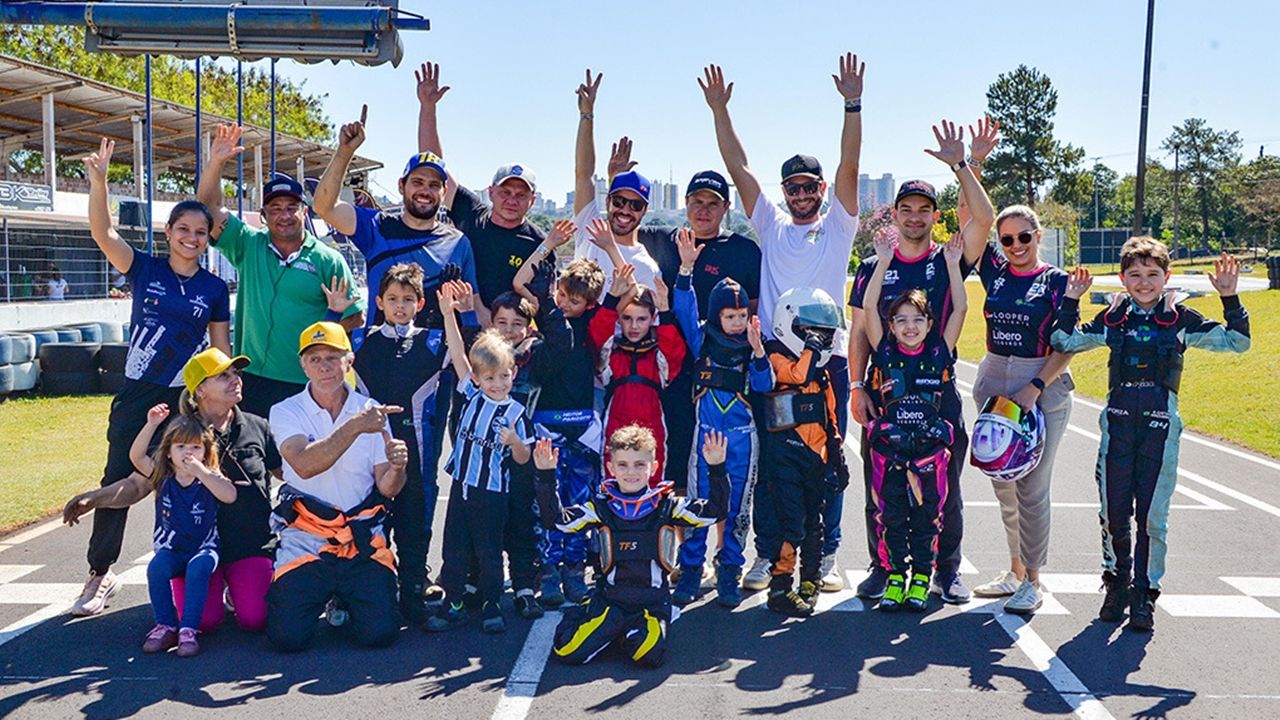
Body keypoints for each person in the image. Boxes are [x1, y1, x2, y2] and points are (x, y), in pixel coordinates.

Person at [701, 56, 862, 593]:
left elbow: (849, 165)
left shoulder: (838, 226)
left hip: (827, 361)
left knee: (827, 457)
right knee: (773, 463)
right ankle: (768, 555)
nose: (799, 194)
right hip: (771, 359)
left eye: (807, 186)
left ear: (819, 188)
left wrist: (851, 105)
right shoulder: (770, 224)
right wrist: (721, 111)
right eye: (791, 187)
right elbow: (739, 167)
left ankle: (828, 552)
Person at [1052, 240, 1250, 631]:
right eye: (1135, 275)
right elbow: (1064, 341)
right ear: (1123, 279)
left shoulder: (1179, 319)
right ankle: (1117, 583)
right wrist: (1072, 300)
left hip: (1161, 430)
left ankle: (1144, 593)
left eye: (1152, 275)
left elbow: (1238, 341)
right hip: (1118, 429)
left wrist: (1229, 297)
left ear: (1166, 278)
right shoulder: (1114, 319)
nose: (1144, 283)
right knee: (1113, 513)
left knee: (1152, 517)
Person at [72, 138, 232, 618]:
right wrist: (99, 182)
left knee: (196, 478)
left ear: (208, 237)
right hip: (139, 395)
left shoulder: (214, 287)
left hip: (187, 399)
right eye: (183, 228)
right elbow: (102, 232)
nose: (192, 237)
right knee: (119, 476)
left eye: (200, 231)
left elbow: (220, 349)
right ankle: (102, 573)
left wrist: (221, 401)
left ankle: (204, 569)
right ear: (168, 232)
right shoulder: (144, 268)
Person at [847, 120, 995, 605]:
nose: (914, 217)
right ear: (894, 214)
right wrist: (856, 385)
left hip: (937, 395)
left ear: (934, 216)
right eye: (906, 209)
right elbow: (860, 329)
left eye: (923, 210)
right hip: (887, 393)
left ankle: (946, 571)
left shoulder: (949, 257)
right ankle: (882, 567)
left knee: (943, 488)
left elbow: (985, 218)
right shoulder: (873, 266)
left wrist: (963, 166)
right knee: (881, 487)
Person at [65, 348, 281, 635]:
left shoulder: (258, 426)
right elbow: (138, 483)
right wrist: (94, 498)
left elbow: (289, 473)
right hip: (195, 548)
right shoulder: (178, 436)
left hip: (250, 544)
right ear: (200, 390)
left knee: (256, 619)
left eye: (236, 373)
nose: (236, 380)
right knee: (203, 622)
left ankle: (236, 588)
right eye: (224, 376)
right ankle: (211, 591)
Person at [198, 124, 365, 418]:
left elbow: (356, 314)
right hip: (253, 377)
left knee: (300, 459)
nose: (284, 215)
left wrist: (324, 328)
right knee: (255, 457)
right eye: (275, 209)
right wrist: (216, 163)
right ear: (263, 216)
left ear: (305, 212)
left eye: (292, 207)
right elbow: (206, 210)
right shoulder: (247, 244)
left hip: (303, 382)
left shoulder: (328, 259)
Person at [266, 321, 409, 651]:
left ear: (349, 360)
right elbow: (303, 463)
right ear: (303, 365)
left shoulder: (371, 410)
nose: (324, 366)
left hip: (360, 539)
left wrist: (398, 466)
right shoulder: (286, 410)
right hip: (307, 538)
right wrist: (355, 427)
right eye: (314, 358)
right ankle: (325, 595)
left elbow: (387, 488)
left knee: (381, 634)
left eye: (332, 356)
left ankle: (343, 599)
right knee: (286, 638)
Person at [533, 427, 729, 668]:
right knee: (567, 651)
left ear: (653, 468)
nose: (631, 472)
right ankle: (597, 617)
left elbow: (716, 512)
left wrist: (717, 468)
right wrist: (546, 475)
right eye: (623, 465)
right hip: (611, 601)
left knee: (649, 656)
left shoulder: (667, 506)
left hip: (652, 604)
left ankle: (624, 631)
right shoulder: (600, 507)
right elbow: (556, 520)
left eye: (639, 465)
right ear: (611, 468)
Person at [968, 204, 1074, 615]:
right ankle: (1013, 571)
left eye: (1024, 237)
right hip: (995, 377)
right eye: (1007, 239)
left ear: (1038, 235)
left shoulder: (1058, 281)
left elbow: (1066, 345)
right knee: (1003, 482)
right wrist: (968, 166)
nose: (1016, 246)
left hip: (1040, 383)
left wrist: (1034, 386)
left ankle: (1033, 580)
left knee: (1031, 488)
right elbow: (973, 215)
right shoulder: (994, 270)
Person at [860, 232, 968, 612]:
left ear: (928, 323)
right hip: (891, 449)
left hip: (929, 451)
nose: (909, 327)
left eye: (917, 320)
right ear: (891, 327)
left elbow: (960, 310)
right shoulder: (885, 352)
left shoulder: (940, 350)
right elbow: (869, 307)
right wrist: (884, 261)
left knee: (929, 515)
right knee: (891, 515)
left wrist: (954, 266)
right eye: (901, 320)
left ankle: (923, 577)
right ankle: (894, 577)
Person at [637, 169, 762, 493]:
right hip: (673, 366)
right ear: (686, 203)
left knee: (726, 466)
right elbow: (619, 221)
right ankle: (676, 539)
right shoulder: (663, 240)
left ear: (726, 208)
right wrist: (616, 177)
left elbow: (757, 309)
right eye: (697, 201)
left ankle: (726, 536)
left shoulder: (744, 250)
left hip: (724, 373)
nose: (703, 210)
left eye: (712, 203)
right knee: (677, 458)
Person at [670, 228, 774, 608]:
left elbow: (764, 386)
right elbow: (683, 305)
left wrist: (760, 353)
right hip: (706, 436)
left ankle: (729, 570)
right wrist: (686, 269)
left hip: (743, 439)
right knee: (699, 504)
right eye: (729, 316)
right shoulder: (702, 339)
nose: (735, 322)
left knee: (736, 510)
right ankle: (692, 570)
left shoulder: (752, 345)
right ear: (716, 316)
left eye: (741, 315)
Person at [312, 104, 481, 331]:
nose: (425, 191)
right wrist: (344, 152)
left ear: (443, 191)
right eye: (417, 182)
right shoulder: (376, 226)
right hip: (381, 357)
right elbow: (324, 207)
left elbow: (474, 306)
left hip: (438, 359)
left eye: (433, 185)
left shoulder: (459, 243)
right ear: (401, 186)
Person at [426, 281, 534, 634]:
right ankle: (452, 601)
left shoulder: (517, 413)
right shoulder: (471, 393)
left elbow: (523, 458)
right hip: (462, 486)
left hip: (492, 492)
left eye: (504, 376)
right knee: (454, 548)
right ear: (477, 377)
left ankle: (492, 604)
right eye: (490, 378)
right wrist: (447, 316)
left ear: (513, 373)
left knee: (489, 551)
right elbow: (458, 352)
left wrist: (516, 442)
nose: (498, 384)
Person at [351, 263, 451, 624]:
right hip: (369, 453)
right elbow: (326, 357)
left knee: (415, 527)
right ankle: (362, 597)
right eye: (392, 299)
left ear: (420, 303)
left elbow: (465, 358)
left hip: (417, 453)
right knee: (369, 525)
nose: (399, 306)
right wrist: (335, 310)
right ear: (378, 301)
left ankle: (413, 599)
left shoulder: (434, 340)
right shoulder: (361, 340)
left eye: (408, 300)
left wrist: (450, 313)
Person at [414, 61, 547, 319]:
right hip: (460, 323)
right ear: (491, 192)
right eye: (505, 192)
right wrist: (428, 108)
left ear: (532, 201)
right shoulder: (472, 213)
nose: (512, 200)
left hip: (509, 334)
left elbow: (539, 302)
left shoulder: (538, 242)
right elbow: (433, 164)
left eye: (521, 195)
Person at [760, 288, 849, 617]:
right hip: (785, 459)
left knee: (815, 523)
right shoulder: (775, 358)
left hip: (817, 459)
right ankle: (780, 587)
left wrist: (838, 461)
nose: (820, 339)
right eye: (813, 333)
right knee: (791, 525)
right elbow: (797, 374)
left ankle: (809, 581)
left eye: (824, 334)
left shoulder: (823, 377)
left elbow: (831, 421)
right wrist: (811, 347)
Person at [137, 415, 237, 657]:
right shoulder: (163, 477)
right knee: (157, 569)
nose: (188, 453)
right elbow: (137, 457)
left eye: (195, 447)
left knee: (198, 567)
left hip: (205, 548)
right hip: (172, 549)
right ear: (169, 452)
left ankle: (188, 630)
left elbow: (230, 495)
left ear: (205, 452)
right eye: (180, 447)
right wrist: (150, 425)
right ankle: (166, 625)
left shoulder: (210, 476)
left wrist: (203, 472)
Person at [587, 253, 687, 485]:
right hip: (616, 417)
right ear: (619, 320)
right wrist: (612, 298)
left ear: (651, 319)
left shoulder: (657, 353)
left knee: (652, 475)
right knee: (612, 475)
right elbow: (596, 336)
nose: (634, 326)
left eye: (641, 319)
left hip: (652, 419)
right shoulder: (612, 349)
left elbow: (675, 355)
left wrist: (664, 310)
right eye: (627, 318)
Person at [570, 70, 661, 293]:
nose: (625, 210)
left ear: (645, 210)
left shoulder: (647, 268)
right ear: (608, 200)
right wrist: (586, 115)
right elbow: (584, 174)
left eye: (635, 205)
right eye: (619, 201)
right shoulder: (590, 228)